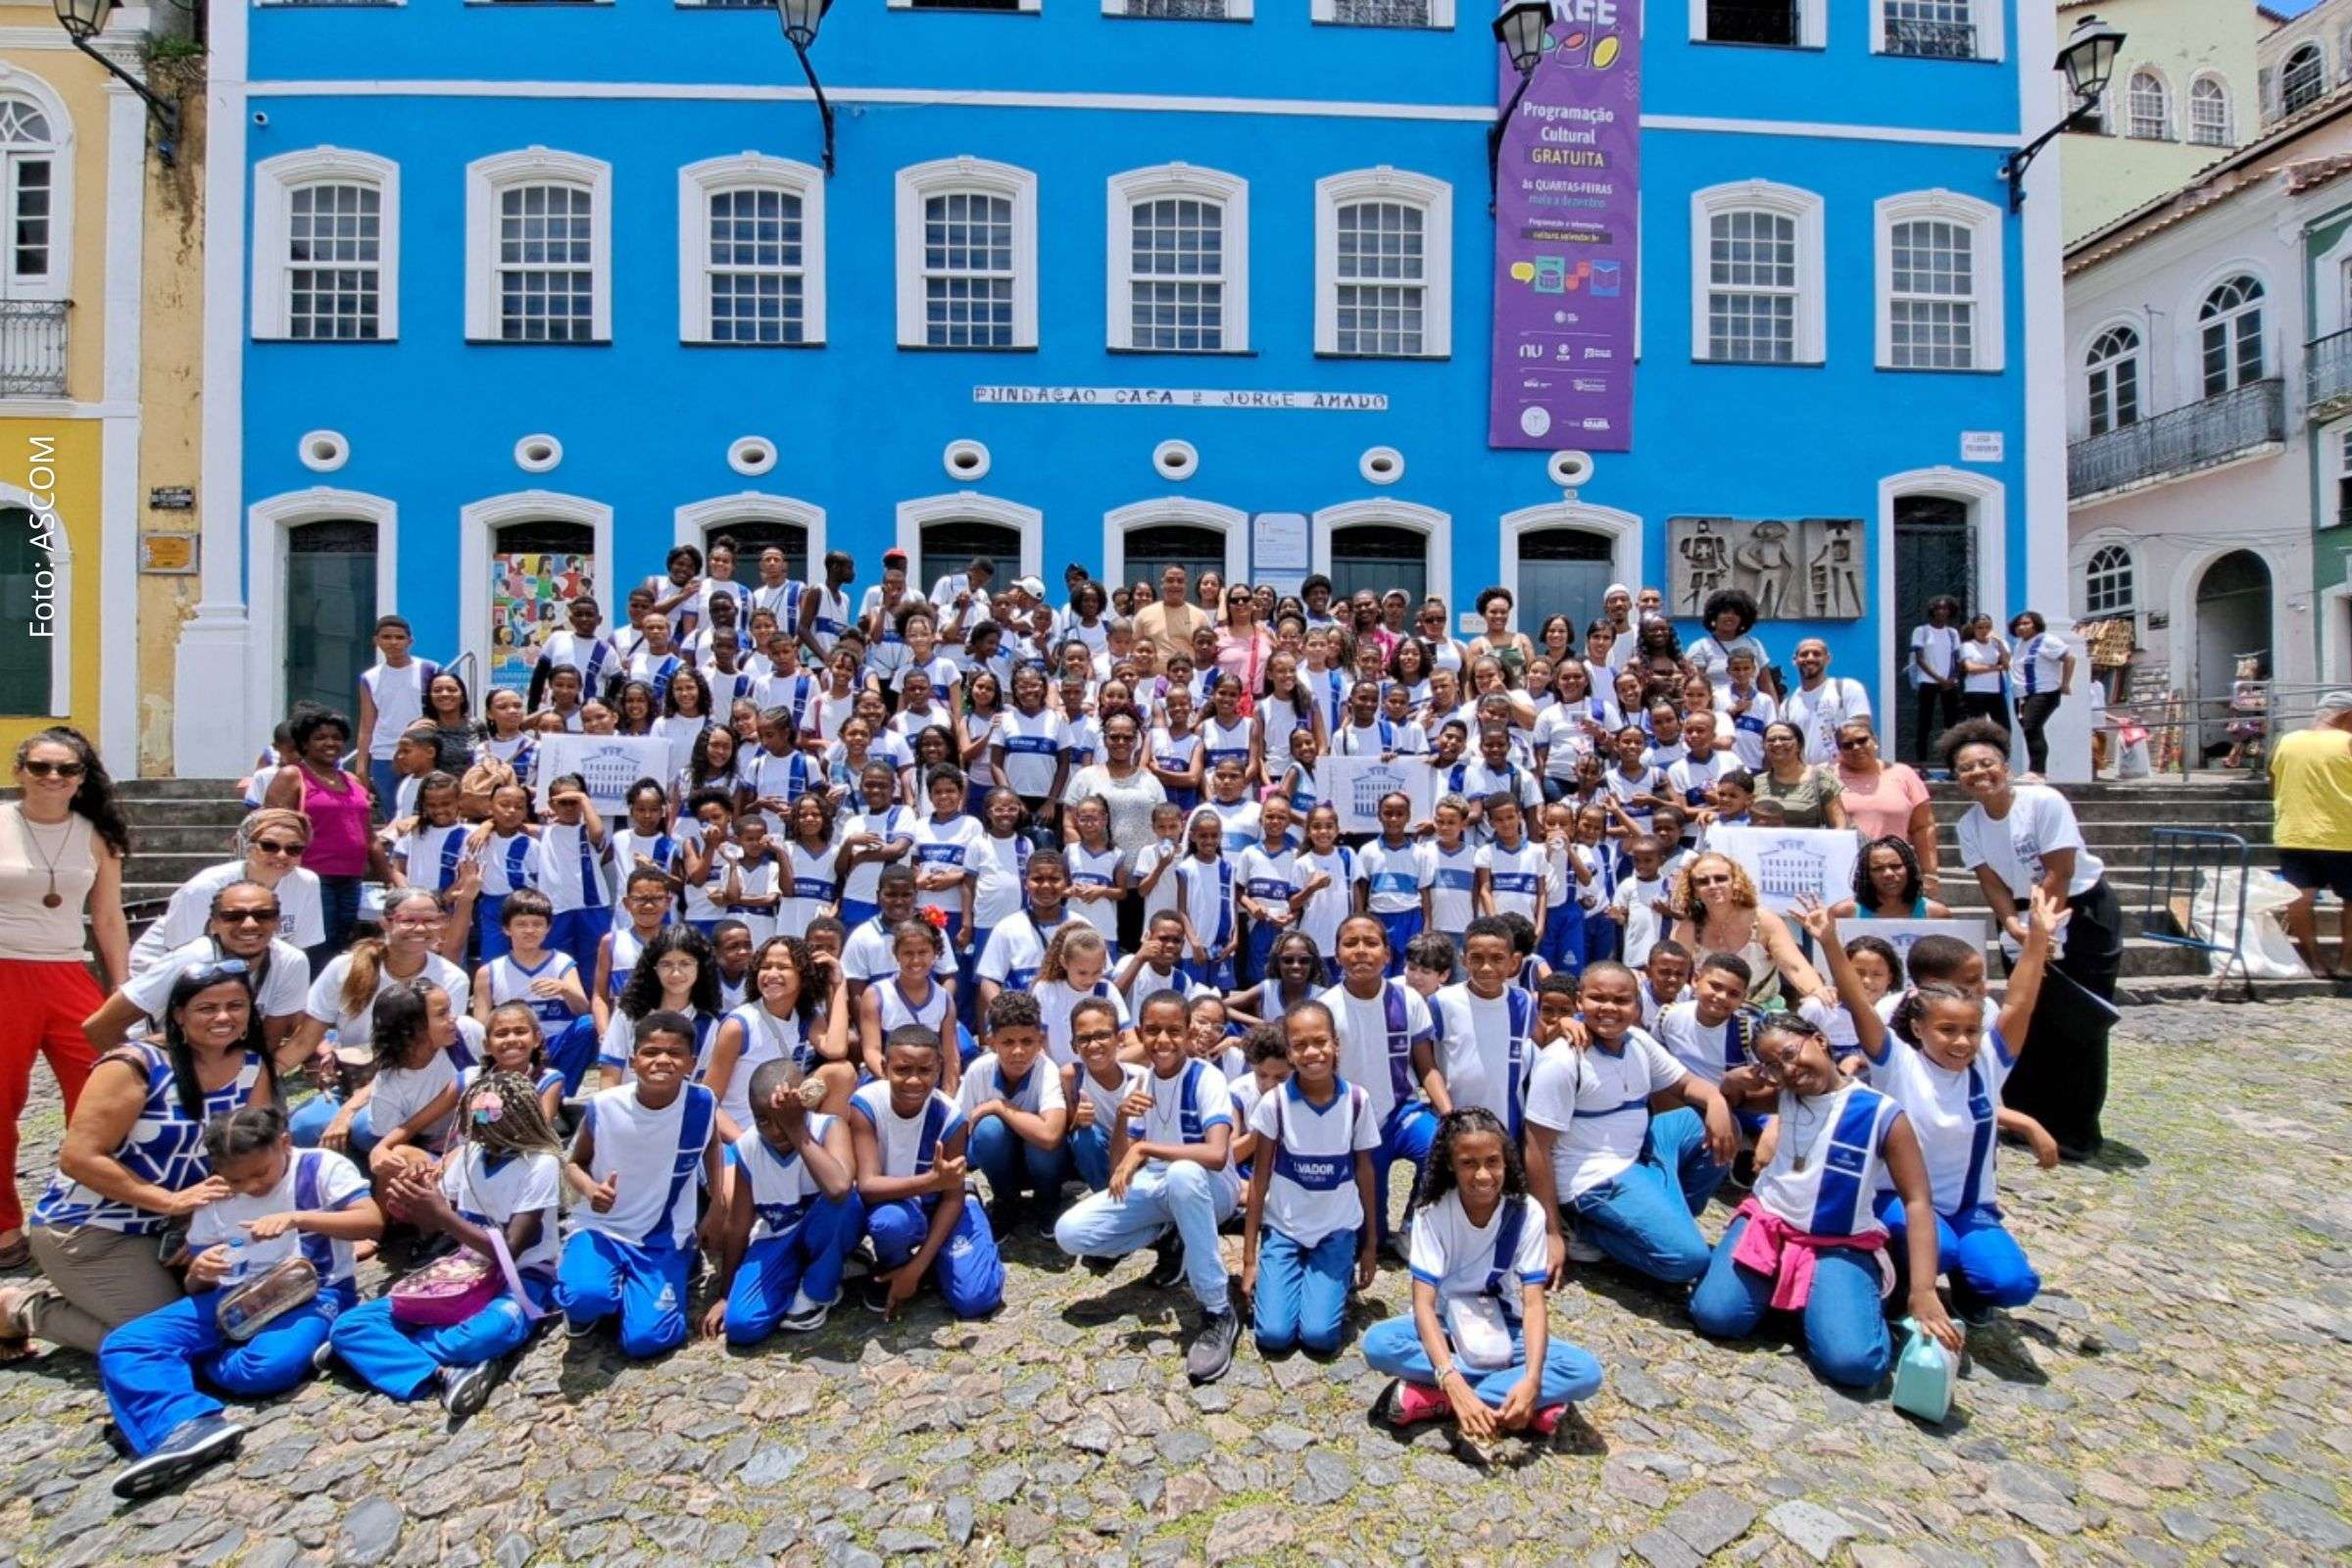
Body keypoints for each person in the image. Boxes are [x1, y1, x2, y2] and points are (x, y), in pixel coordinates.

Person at [98, 1104, 380, 1498]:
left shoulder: (319, 1167)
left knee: (265, 1369)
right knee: (126, 1343)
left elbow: (371, 1222)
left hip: (312, 1291)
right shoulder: (216, 1194)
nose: (250, 1187)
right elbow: (196, 1282)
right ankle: (183, 1427)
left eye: (260, 1174)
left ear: (284, 1143)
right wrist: (199, 1270)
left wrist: (299, 1218)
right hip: (232, 1296)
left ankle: (183, 1373)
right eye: (236, 1179)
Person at [1802, 895, 2059, 1323]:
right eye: (1947, 1031)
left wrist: (2037, 938)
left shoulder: (1989, 1062)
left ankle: (1969, 1286)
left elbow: (2020, 1003)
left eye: (1970, 1031)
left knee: (2014, 1284)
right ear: (1919, 1028)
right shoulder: (1897, 1062)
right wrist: (1829, 942)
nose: (1961, 1042)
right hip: (1896, 1197)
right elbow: (1857, 1002)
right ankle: (1898, 1278)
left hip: (1968, 1208)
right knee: (1938, 1249)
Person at [0, 966, 270, 1357]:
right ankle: (21, 1311)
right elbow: (78, 1158)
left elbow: (255, 1155)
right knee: (170, 1344)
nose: (223, 1017)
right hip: (92, 1228)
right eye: (206, 1008)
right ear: (178, 1014)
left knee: (240, 1318)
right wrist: (171, 1203)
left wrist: (201, 1222)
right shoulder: (134, 1064)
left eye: (235, 1006)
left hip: (175, 1227)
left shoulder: (251, 1066)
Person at [1691, 1010, 1962, 1390]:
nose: (1787, 1069)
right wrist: (1734, 1079)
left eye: (1790, 1053)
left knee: (1854, 1365)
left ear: (1819, 1040)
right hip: (1768, 1226)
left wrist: (1924, 1290)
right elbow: (1733, 1097)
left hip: (1838, 1243)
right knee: (1715, 1316)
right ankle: (1803, 1302)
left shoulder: (1881, 1113)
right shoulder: (1785, 1096)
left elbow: (1917, 1201)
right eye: (1772, 1065)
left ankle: (1848, 1302)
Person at [1362, 1107, 1603, 1442]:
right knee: (1378, 1344)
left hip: (1505, 1327)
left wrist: (1532, 1378)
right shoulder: (1431, 1212)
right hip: (1445, 1323)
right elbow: (1423, 1304)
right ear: (1451, 1165)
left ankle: (1442, 1401)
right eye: (1468, 1164)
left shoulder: (1526, 1213)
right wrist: (1450, 1376)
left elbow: (1533, 1304)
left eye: (1492, 1162)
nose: (1483, 1175)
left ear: (1506, 1161)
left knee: (1586, 1372)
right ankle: (1507, 1401)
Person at [1944, 718, 2121, 1161]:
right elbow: (1991, 883)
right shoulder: (1969, 825)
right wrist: (2012, 924)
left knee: (2077, 1023)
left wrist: (2044, 932)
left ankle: (2076, 1130)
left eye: (1987, 764)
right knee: (2027, 1018)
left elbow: (2059, 870)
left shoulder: (2043, 802)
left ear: (2005, 766)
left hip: (2077, 911)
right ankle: (2026, 1116)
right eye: (1967, 768)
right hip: (2023, 916)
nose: (1979, 774)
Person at [1054, 990, 1243, 1384]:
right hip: (1163, 1186)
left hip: (1211, 1190)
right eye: (1153, 1030)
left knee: (1183, 1173)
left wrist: (1146, 1146)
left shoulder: (1206, 1077)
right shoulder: (1142, 1084)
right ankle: (1169, 1232)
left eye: (1174, 1030)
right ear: (1139, 1033)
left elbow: (1217, 1154)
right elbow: (1119, 1172)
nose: (1163, 1040)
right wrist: (1123, 1120)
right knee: (1069, 1232)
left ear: (1190, 1033)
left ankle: (1217, 1307)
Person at [0, 727, 130, 1269]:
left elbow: (106, 916)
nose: (53, 778)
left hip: (68, 972)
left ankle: (98, 1208)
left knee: (104, 1093)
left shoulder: (96, 834)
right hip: (5, 971)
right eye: (40, 767)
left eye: (66, 770)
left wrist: (123, 990)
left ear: (81, 779)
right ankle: (5, 1226)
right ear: (19, 772)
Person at [1521, 961, 1737, 1283]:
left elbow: (1687, 1084)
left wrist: (1718, 1101)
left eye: (1621, 1000)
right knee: (1687, 1260)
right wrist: (1550, 1232)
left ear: (1637, 1006)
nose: (1609, 1008)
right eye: (1598, 998)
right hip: (1596, 1177)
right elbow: (1535, 1146)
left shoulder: (1637, 1041)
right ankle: (1585, 1228)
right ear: (1580, 1001)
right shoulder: (1564, 1060)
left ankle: (1666, 1219)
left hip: (1638, 1154)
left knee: (1723, 1125)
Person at [558, 1012, 721, 1357]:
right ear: (633, 1061)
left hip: (663, 1236)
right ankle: (603, 1289)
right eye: (650, 1052)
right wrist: (591, 1190)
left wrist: (717, 1206)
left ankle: (660, 1279)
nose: (662, 1060)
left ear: (691, 1062)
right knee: (585, 1299)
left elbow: (713, 1146)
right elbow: (573, 1163)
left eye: (675, 1053)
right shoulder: (605, 1106)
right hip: (602, 1228)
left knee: (647, 1340)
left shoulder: (702, 1102)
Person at [1239, 1000, 1378, 1357]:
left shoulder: (1358, 1101)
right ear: (1289, 1051)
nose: (1312, 1052)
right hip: (1285, 1228)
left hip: (1336, 1230)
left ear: (1336, 1044)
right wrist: (1250, 1258)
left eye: (1320, 1042)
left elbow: (1365, 1172)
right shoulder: (1275, 1104)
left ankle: (1334, 1278)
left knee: (1319, 1337)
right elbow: (1259, 1180)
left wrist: (1371, 1244)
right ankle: (1287, 1273)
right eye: (1299, 1045)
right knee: (1273, 1336)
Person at [848, 1025, 1004, 1320]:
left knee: (976, 1299)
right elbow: (867, 1186)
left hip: (944, 1205)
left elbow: (951, 1198)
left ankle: (923, 1267)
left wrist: (918, 1267)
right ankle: (895, 1266)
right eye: (902, 1069)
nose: (914, 1080)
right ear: (884, 1067)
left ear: (939, 1069)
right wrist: (930, 1181)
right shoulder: (866, 1105)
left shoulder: (951, 1118)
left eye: (925, 1070)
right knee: (888, 1223)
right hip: (898, 1207)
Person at [702, 1058, 861, 1344]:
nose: (777, 1131)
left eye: (783, 1120)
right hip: (778, 1236)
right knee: (742, 1325)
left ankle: (818, 1289)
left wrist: (797, 1130)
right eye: (764, 1121)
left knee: (844, 1204)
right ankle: (807, 1273)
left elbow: (838, 1187)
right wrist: (726, 1293)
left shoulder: (829, 1127)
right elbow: (738, 1226)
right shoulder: (748, 1147)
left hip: (823, 1227)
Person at [1318, 913, 1439, 1247]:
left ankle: (1414, 1227)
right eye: (1350, 943)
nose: (1360, 951)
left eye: (1371, 943)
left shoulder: (1408, 1000)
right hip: (1352, 1124)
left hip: (1402, 1113)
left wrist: (1450, 1114)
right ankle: (1379, 1234)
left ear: (1387, 954)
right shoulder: (1325, 1008)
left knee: (1444, 1150)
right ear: (1337, 952)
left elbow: (1427, 1067)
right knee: (1370, 1235)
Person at [130, 808, 325, 975]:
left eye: (294, 849)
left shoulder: (307, 883)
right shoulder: (205, 887)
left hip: (246, 971)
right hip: (168, 966)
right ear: (246, 847)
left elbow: (298, 952)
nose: (282, 855)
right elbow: (182, 953)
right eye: (269, 846)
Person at [264, 708, 392, 955]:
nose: (330, 743)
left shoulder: (352, 781)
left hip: (351, 878)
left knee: (341, 945)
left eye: (336, 737)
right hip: (311, 878)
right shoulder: (292, 776)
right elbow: (271, 826)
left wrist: (390, 878)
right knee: (316, 948)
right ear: (304, 743)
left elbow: (369, 837)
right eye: (320, 737)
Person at [960, 992, 1070, 1229]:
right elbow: (962, 1127)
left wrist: (1001, 1106)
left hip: (1041, 1163)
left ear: (1040, 1041)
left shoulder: (1047, 1070)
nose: (1018, 1051)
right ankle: (1005, 1200)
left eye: (1027, 1042)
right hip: (1000, 1161)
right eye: (1008, 1042)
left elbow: (1051, 1136)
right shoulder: (978, 1071)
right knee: (988, 1130)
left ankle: (1048, 1199)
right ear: (991, 1042)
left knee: (1040, 1140)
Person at [2267, 690, 2352, 977]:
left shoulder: (2286, 742)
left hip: (2293, 833)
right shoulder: (2348, 741)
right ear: (2346, 716)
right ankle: (2346, 963)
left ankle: (2314, 962)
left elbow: (2274, 783)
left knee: (2300, 898)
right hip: (2342, 833)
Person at [1832, 720, 1940, 904]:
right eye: (1847, 745)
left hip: (1893, 873)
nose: (1856, 747)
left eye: (1862, 740)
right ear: (1839, 750)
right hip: (1843, 874)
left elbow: (1923, 827)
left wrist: (1930, 874)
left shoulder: (1903, 774)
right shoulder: (1826, 777)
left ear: (1874, 740)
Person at [1780, 640, 1872, 767]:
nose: (1810, 658)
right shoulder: (1787, 705)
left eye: (1816, 654)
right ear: (1795, 660)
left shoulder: (1848, 688)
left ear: (1827, 658)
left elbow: (1861, 729)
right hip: (1804, 779)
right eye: (1804, 654)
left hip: (1844, 775)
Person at [2007, 613, 2075, 780]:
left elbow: (2069, 658)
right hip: (2022, 694)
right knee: (2029, 730)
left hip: (2044, 692)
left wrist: (2065, 683)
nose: (2021, 627)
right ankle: (2034, 770)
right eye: (2018, 625)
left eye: (2026, 623)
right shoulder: (2020, 644)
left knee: (2032, 727)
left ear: (2036, 624)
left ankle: (2038, 771)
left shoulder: (2046, 640)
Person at [1753, 720, 1849, 830]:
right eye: (1771, 740)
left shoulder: (1820, 779)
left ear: (1799, 745)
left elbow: (1840, 825)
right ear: (1764, 746)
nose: (1777, 743)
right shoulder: (1756, 783)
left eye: (1785, 739)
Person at [1907, 596, 1965, 764]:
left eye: (1945, 608)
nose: (1942, 611)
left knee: (1951, 725)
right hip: (1928, 682)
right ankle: (1922, 763)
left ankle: (1952, 763)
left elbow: (1956, 658)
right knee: (1924, 724)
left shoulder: (1952, 633)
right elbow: (1920, 659)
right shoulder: (1921, 631)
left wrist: (1952, 678)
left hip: (1949, 684)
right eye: (1938, 608)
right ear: (1932, 610)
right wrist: (1939, 678)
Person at [1134, 564, 1212, 663]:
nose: (1175, 585)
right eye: (1170, 580)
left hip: (1187, 677)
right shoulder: (1144, 614)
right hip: (1153, 677)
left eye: (1180, 581)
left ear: (1186, 584)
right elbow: (1133, 648)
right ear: (1162, 583)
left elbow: (1209, 650)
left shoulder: (1200, 616)